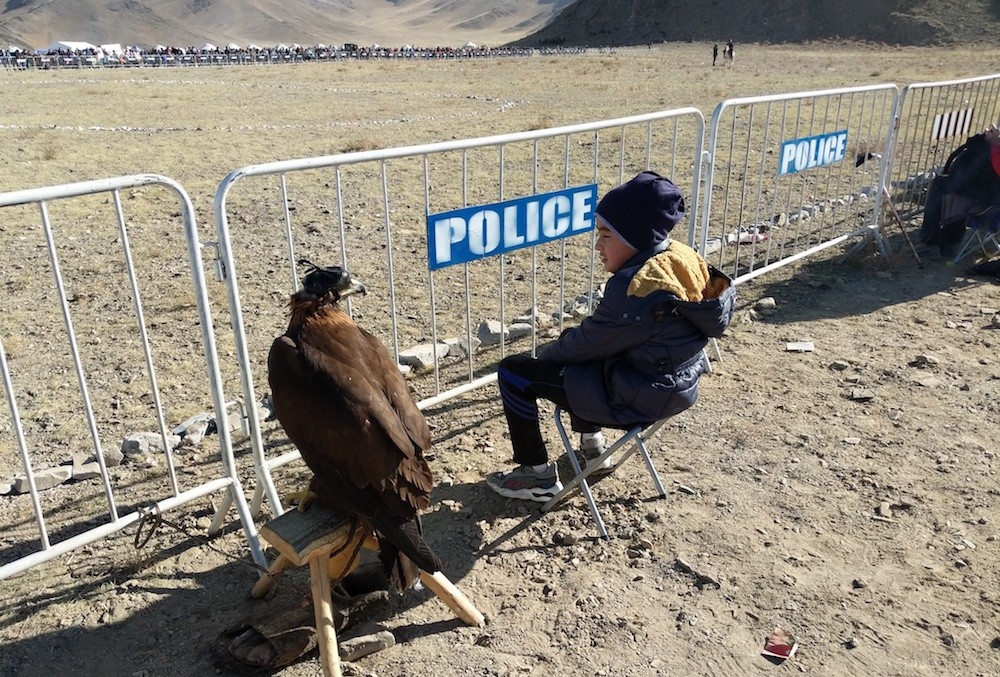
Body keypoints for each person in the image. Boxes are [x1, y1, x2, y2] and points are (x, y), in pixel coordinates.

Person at [485, 171, 736, 502]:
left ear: (635, 237)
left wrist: (541, 363)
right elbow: (604, 338)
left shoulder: (635, 287)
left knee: (514, 371)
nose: (598, 245)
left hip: (640, 395)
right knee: (585, 351)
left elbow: (586, 344)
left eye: (606, 235)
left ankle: (536, 475)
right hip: (676, 383)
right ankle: (594, 446)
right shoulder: (679, 259)